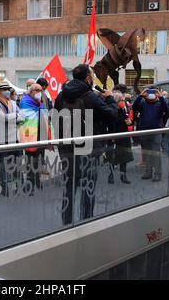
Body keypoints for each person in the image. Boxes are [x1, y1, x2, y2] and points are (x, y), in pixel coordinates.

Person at [54, 64, 118, 225]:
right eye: (93, 75)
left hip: (67, 147)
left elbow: (55, 119)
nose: (94, 78)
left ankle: (66, 222)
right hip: (89, 149)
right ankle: (86, 220)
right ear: (88, 78)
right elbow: (112, 115)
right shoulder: (91, 96)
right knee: (88, 186)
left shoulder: (61, 95)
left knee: (70, 185)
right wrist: (110, 98)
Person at [0, 80, 24, 196]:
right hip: (3, 139)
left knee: (18, 163)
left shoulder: (13, 103)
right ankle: (5, 187)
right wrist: (15, 116)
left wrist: (13, 117)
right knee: (4, 165)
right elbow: (1, 118)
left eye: (7, 89)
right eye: (4, 89)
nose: (7, 91)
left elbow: (22, 116)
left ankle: (20, 185)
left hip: (15, 138)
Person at [19, 84, 50, 194]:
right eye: (37, 90)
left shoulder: (40, 103)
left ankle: (37, 181)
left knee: (39, 161)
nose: (39, 92)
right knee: (30, 162)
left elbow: (45, 119)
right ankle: (30, 184)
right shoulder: (24, 103)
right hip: (30, 137)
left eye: (41, 90)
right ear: (31, 91)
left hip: (41, 136)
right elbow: (24, 121)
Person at [132, 88, 168, 182]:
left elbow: (166, 109)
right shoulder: (143, 104)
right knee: (147, 153)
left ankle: (158, 174)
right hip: (144, 132)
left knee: (156, 153)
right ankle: (148, 172)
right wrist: (140, 96)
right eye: (149, 93)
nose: (151, 95)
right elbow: (134, 107)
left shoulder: (159, 104)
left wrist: (161, 97)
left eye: (153, 94)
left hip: (156, 132)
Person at [107, 92, 134, 184]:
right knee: (113, 157)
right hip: (115, 136)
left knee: (124, 157)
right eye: (121, 100)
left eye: (123, 100)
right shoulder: (111, 110)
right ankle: (111, 175)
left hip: (124, 136)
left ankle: (123, 176)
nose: (123, 102)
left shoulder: (124, 110)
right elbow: (112, 123)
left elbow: (128, 120)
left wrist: (130, 122)